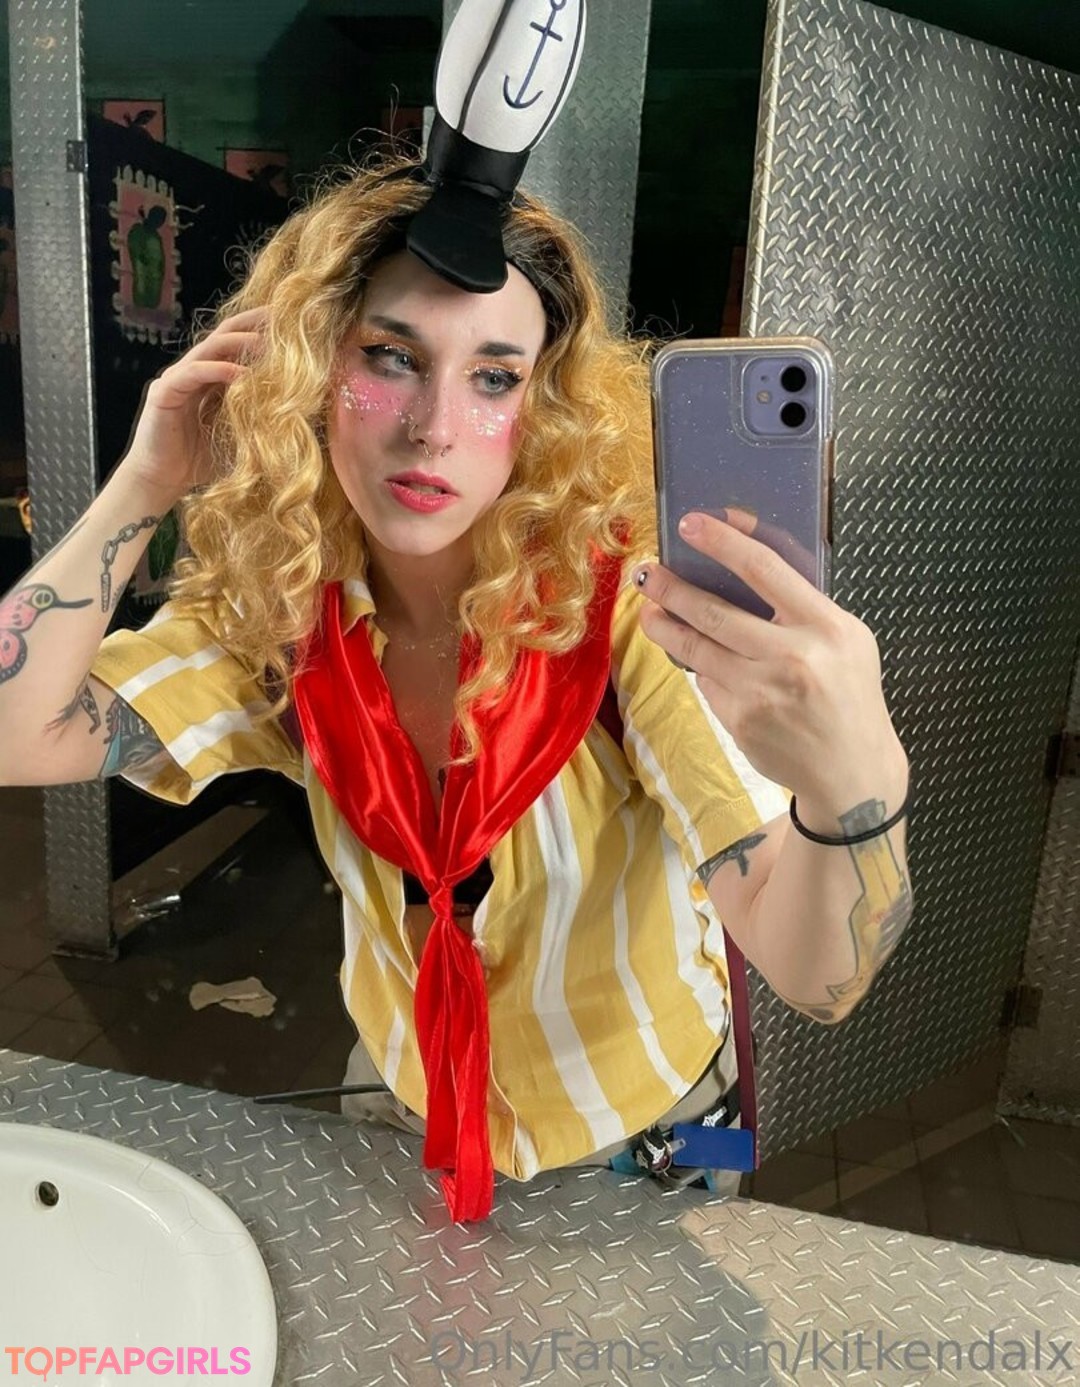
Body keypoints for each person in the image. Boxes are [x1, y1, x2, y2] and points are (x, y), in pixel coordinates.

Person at [0, 5, 912, 1222]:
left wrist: (855, 785)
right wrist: (145, 479)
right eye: (389, 356)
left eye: (494, 376)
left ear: (544, 409)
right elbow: (17, 728)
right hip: (404, 1102)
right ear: (311, 372)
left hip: (639, 1138)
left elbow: (817, 973)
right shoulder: (287, 615)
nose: (435, 426)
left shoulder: (626, 614)